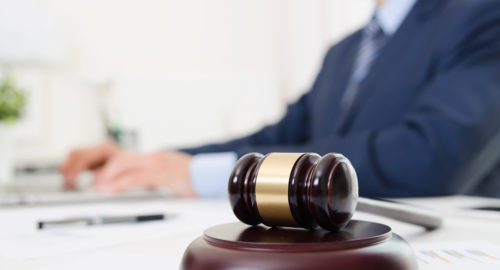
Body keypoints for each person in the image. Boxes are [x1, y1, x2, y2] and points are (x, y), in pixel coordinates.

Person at [61, 0, 500, 198]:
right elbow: (281, 135)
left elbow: (430, 157)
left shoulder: (482, 14)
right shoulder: (344, 51)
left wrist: (216, 176)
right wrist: (153, 161)